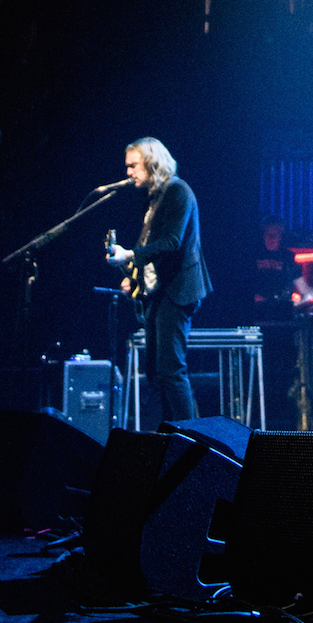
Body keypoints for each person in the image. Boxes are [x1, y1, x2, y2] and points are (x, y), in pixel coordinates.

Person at [107, 138, 212, 425]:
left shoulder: (178, 191)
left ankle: (190, 436)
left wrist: (130, 253)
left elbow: (172, 242)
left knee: (171, 370)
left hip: (178, 291)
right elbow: (155, 252)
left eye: (133, 165)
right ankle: (167, 434)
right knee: (155, 371)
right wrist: (133, 275)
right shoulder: (157, 197)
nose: (128, 172)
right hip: (161, 291)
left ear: (152, 162)